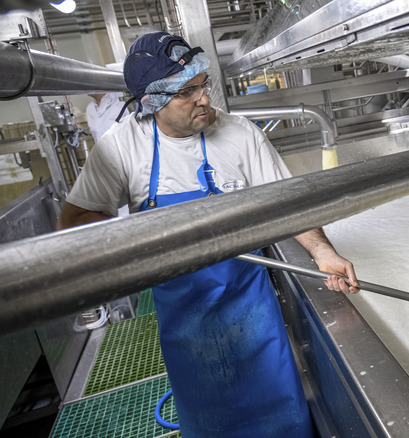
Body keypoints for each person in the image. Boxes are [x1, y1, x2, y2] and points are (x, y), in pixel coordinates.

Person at [57, 31, 359, 437]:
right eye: (187, 92)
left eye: (203, 85)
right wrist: (123, 243)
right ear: (153, 101)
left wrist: (322, 252)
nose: (203, 99)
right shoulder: (123, 146)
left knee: (283, 420)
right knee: (211, 423)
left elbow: (291, 206)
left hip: (252, 312)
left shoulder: (240, 134)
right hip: (187, 327)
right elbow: (77, 220)